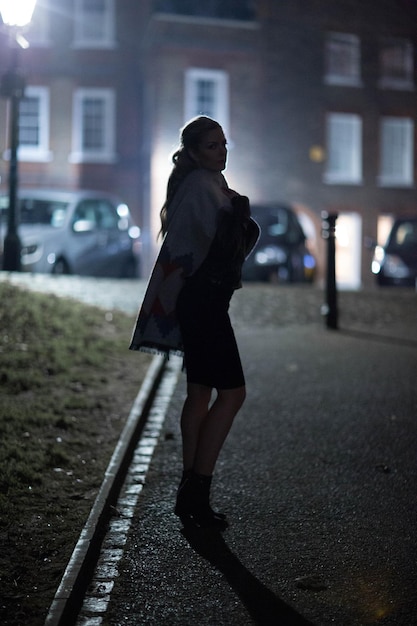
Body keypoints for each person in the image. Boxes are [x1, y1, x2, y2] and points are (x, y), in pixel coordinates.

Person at [130, 116, 259, 529]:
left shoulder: (197, 185)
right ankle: (196, 489)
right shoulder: (205, 188)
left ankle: (190, 491)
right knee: (233, 394)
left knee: (200, 392)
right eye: (212, 146)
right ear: (192, 152)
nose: (220, 152)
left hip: (197, 301)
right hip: (205, 305)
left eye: (223, 144)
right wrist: (241, 212)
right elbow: (231, 247)